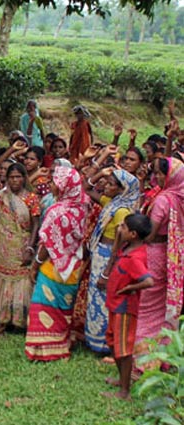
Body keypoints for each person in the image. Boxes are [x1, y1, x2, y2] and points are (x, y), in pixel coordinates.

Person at [25, 167, 88, 361]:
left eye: (54, 183)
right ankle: (61, 343)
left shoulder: (56, 212)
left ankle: (43, 349)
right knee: (63, 308)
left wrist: (35, 264)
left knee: (44, 306)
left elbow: (48, 245)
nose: (50, 186)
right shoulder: (83, 205)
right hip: (74, 266)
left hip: (53, 266)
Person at [135, 157, 184, 370]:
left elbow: (150, 234)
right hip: (169, 256)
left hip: (154, 254)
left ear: (170, 176)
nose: (156, 178)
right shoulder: (180, 197)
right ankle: (161, 357)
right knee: (159, 310)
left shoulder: (164, 200)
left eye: (160, 173)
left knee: (145, 310)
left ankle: (141, 361)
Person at [83, 169, 139, 353]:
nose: (105, 186)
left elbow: (118, 245)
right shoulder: (111, 202)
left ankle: (106, 343)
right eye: (106, 183)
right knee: (95, 298)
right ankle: (94, 339)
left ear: (122, 190)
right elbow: (86, 188)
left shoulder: (121, 211)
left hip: (108, 257)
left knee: (103, 298)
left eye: (110, 184)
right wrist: (100, 172)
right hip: (100, 253)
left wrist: (107, 273)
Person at [101, 214, 154, 400]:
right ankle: (123, 380)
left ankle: (124, 391)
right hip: (115, 304)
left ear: (132, 234)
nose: (119, 228)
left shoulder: (135, 258)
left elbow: (148, 281)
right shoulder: (128, 248)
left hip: (124, 308)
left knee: (123, 349)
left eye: (123, 227)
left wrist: (131, 287)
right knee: (113, 342)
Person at [0, 162, 41, 332]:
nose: (15, 180)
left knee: (23, 281)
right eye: (11, 177)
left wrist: (30, 248)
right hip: (3, 244)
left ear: (24, 178)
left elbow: (35, 225)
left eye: (18, 177)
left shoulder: (31, 198)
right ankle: (5, 319)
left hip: (22, 244)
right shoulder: (1, 196)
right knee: (4, 279)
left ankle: (20, 321)